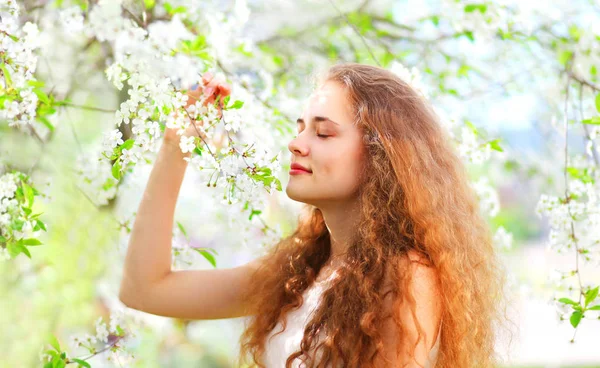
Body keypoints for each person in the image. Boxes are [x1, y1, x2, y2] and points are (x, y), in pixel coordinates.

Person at [119, 63, 507, 368]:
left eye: (323, 134)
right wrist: (176, 147)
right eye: (300, 128)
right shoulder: (300, 271)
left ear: (382, 158)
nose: (295, 144)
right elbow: (144, 289)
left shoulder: (405, 277)